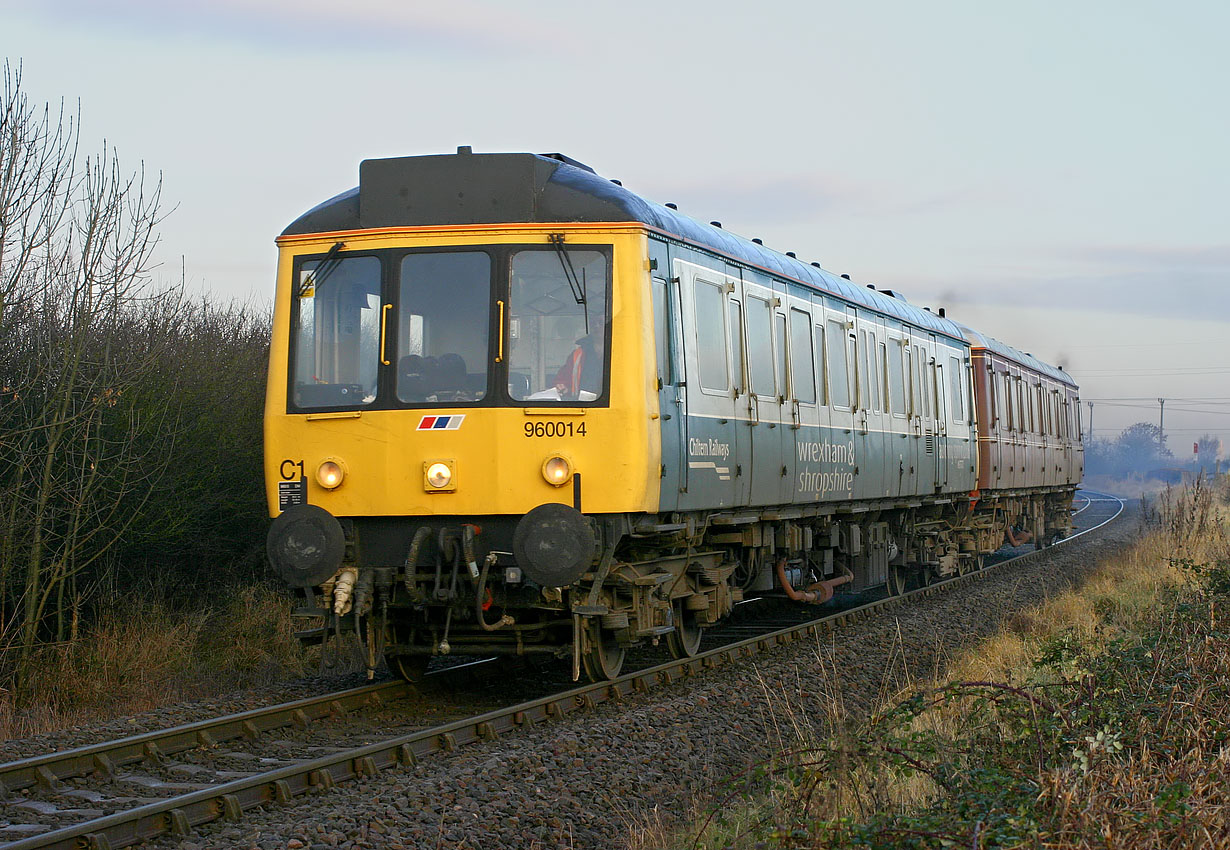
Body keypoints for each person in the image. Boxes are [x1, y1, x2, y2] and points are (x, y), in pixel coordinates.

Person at [553, 331, 604, 400]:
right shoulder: (577, 355)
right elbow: (562, 380)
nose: (597, 326)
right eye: (593, 322)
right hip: (583, 405)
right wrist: (563, 387)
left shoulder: (621, 353)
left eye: (600, 322)